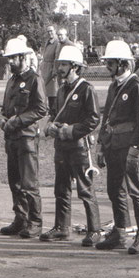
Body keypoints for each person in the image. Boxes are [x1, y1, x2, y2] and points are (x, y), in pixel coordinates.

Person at [41, 45, 101, 247]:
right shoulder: (61, 90)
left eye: (64, 64)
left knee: (85, 190)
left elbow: (93, 119)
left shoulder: (86, 89)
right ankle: (61, 227)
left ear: (74, 66)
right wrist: (51, 126)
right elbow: (55, 112)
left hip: (78, 147)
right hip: (62, 146)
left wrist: (72, 130)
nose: (60, 68)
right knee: (61, 188)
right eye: (59, 64)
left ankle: (94, 230)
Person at [95, 40, 139, 254]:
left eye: (110, 63)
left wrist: (136, 149)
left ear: (122, 63)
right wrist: (101, 145)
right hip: (112, 145)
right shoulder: (114, 86)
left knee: (136, 191)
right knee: (114, 190)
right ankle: (119, 232)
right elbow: (106, 117)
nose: (107, 66)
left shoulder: (136, 86)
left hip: (128, 146)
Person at [0, 38, 47, 239]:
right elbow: (6, 107)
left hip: (26, 137)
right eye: (8, 59)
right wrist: (1, 117)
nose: (9, 62)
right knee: (14, 181)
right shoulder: (12, 81)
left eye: (12, 58)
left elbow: (41, 109)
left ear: (22, 57)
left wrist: (17, 121)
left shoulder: (34, 80)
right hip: (12, 137)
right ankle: (20, 218)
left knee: (29, 182)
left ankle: (35, 222)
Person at [39, 26, 61, 113]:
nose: (50, 33)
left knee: (53, 92)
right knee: (46, 91)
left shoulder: (57, 42)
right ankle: (48, 109)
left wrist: (54, 70)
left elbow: (56, 57)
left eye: (51, 31)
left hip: (52, 69)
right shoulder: (47, 42)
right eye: (48, 31)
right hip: (45, 68)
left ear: (55, 31)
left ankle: (54, 111)